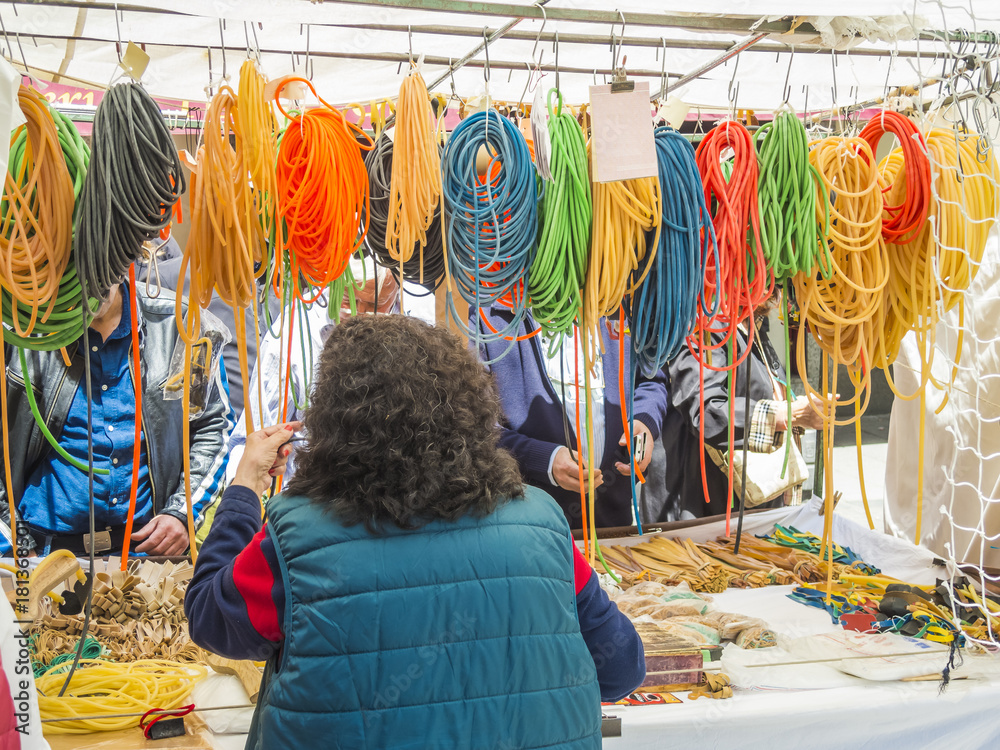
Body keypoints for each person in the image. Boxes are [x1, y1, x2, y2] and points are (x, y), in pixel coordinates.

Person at [187, 315, 645, 749]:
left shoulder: (297, 538)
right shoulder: (542, 523)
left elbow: (211, 619)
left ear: (333, 422)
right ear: (469, 408)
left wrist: (245, 487)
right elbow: (621, 668)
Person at [0, 280, 232, 556]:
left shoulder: (181, 324)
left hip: (145, 555)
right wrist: (14, 536)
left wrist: (182, 512)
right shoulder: (20, 330)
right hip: (41, 551)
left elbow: (212, 426)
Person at [476, 304, 668, 529]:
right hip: (531, 527)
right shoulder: (491, 317)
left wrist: (644, 420)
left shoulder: (620, 302)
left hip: (615, 521)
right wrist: (546, 461)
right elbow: (479, 425)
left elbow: (652, 379)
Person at [226, 258, 398, 483]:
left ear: (397, 290)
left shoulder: (421, 312)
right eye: (350, 300)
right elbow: (254, 439)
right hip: (309, 496)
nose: (361, 313)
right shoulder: (292, 332)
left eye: (377, 304)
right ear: (332, 286)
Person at [657, 292, 823, 521]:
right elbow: (706, 409)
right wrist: (788, 415)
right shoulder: (705, 320)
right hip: (709, 505)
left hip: (751, 503)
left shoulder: (752, 322)